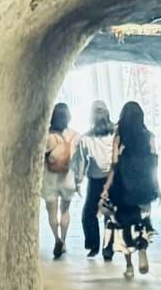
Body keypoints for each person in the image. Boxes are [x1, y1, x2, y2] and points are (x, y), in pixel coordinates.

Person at [101, 100, 159, 277]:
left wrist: (106, 187)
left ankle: (129, 266)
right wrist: (155, 184)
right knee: (142, 220)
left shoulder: (119, 137)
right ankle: (142, 250)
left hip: (124, 189)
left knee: (125, 224)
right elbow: (154, 161)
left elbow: (114, 164)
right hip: (144, 188)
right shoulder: (149, 136)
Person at [78, 101, 116, 259]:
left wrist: (78, 181)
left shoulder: (86, 138)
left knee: (88, 214)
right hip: (113, 179)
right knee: (110, 214)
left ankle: (93, 245)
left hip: (95, 180)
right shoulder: (116, 133)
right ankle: (108, 249)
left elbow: (82, 162)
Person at [42, 102, 80, 259]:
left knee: (51, 213)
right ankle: (63, 242)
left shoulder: (47, 136)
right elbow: (78, 160)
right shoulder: (75, 136)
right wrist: (78, 180)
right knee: (65, 211)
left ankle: (56, 239)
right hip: (68, 178)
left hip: (50, 179)